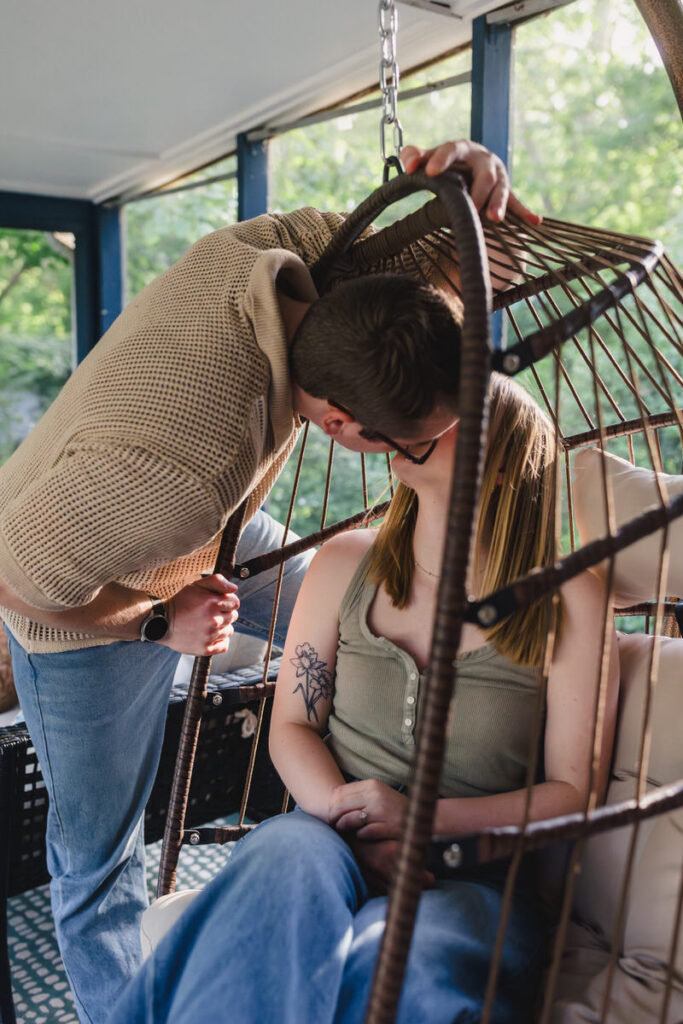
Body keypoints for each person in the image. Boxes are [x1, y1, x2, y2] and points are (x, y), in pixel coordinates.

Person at [0, 140, 539, 1022]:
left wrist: (461, 192)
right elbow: (14, 570)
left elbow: (410, 261)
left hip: (190, 523)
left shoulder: (301, 260)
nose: (421, 460)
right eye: (406, 446)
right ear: (334, 421)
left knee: (350, 616)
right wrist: (154, 623)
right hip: (68, 588)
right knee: (98, 858)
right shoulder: (185, 468)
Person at [109, 373, 620, 1024]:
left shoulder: (570, 596)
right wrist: (348, 820)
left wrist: (416, 821)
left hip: (470, 872)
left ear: (500, 465)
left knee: (400, 967)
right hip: (324, 834)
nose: (416, 418)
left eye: (447, 414)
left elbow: (572, 792)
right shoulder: (345, 563)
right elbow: (293, 723)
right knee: (281, 857)